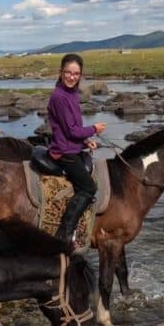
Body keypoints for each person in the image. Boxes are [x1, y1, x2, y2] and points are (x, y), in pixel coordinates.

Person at [47, 53, 107, 245]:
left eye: (76, 73)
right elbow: (71, 130)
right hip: (64, 152)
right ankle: (64, 233)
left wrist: (85, 141)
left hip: (72, 146)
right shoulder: (59, 96)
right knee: (89, 187)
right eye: (68, 73)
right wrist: (93, 129)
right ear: (60, 72)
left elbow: (71, 131)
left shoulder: (71, 93)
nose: (72, 77)